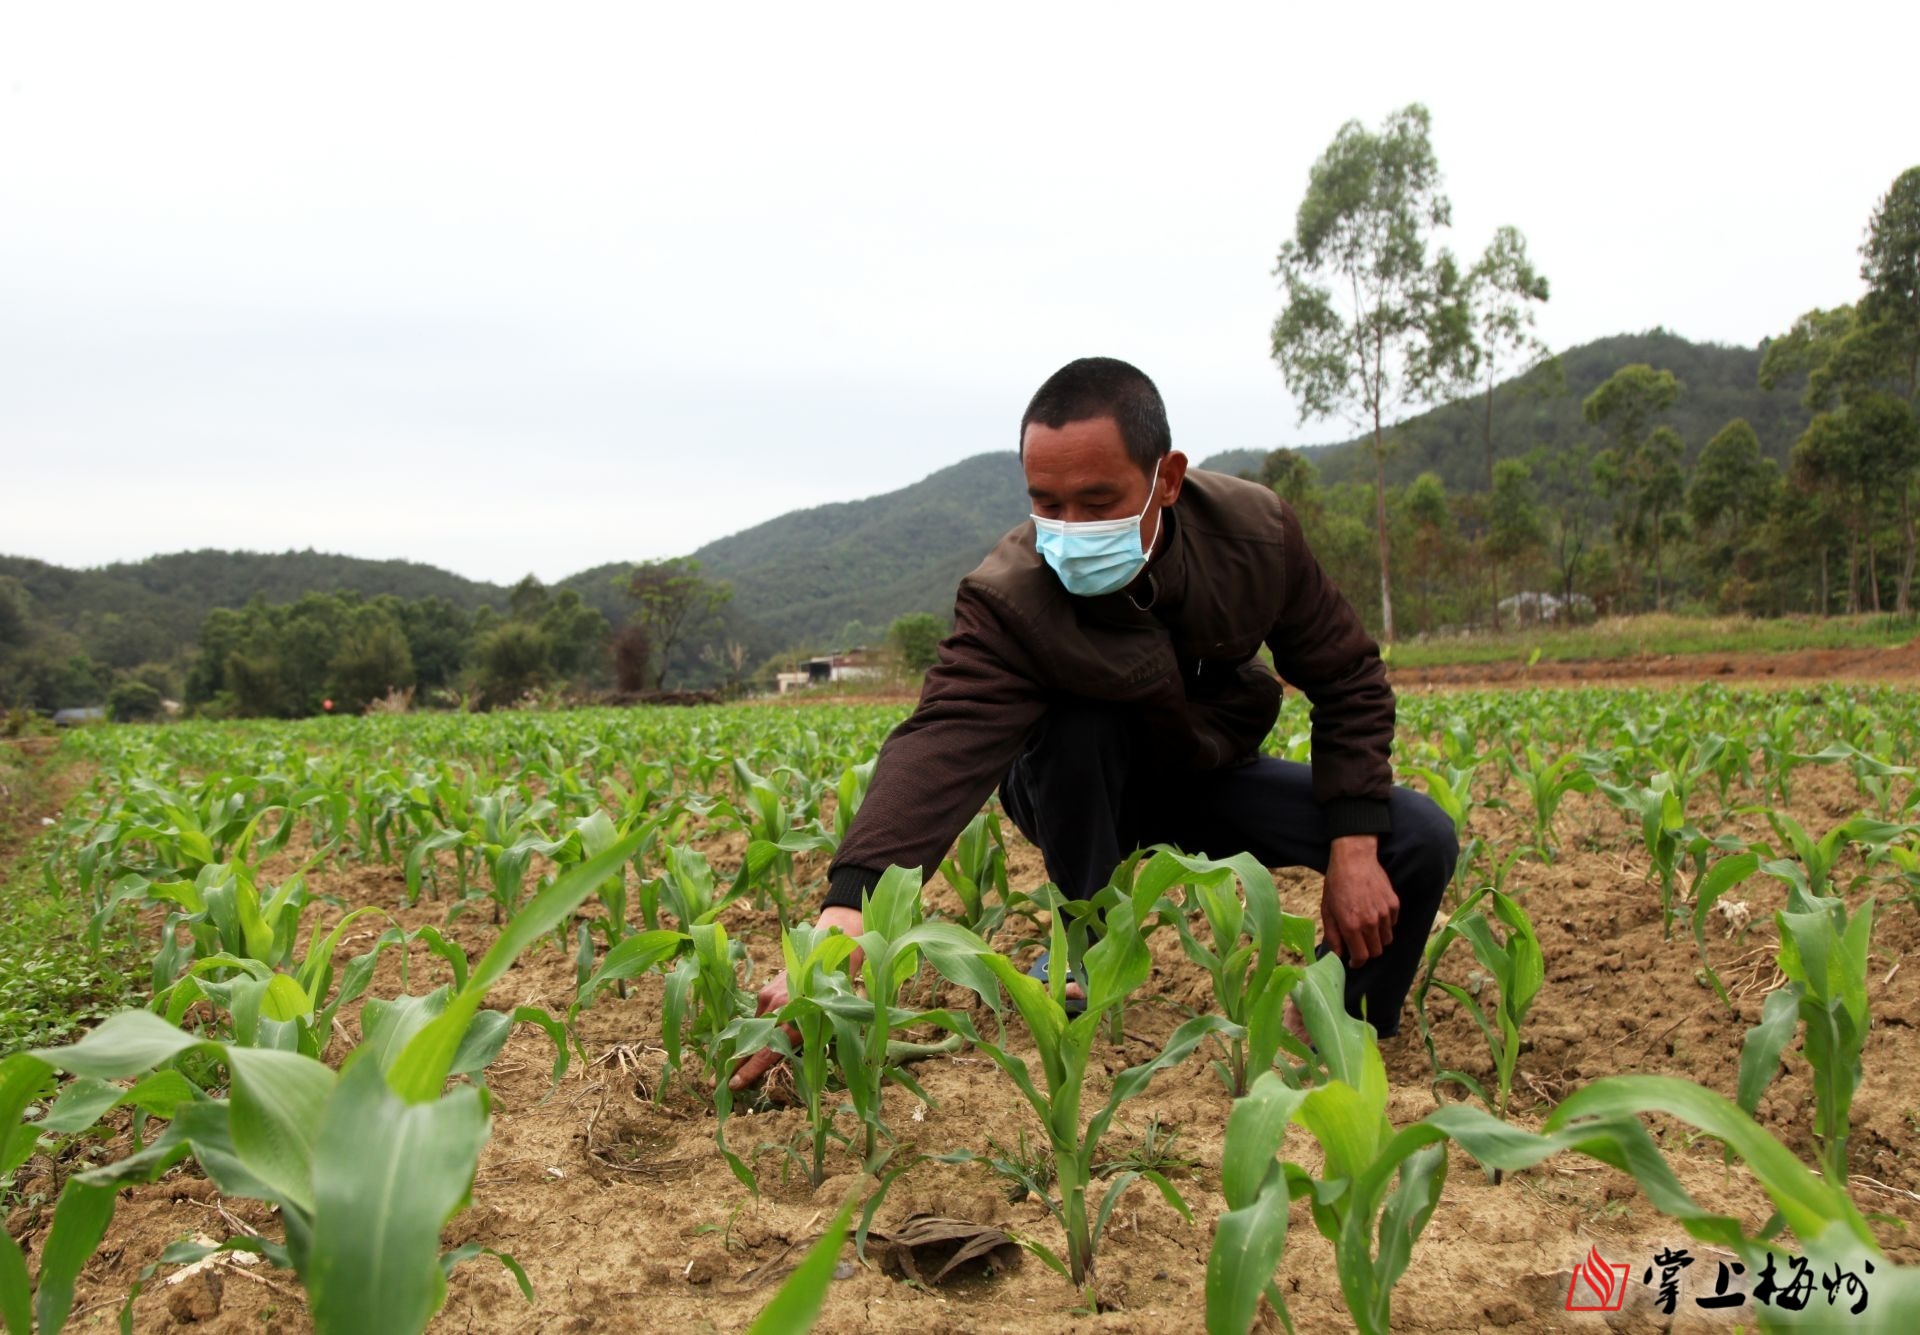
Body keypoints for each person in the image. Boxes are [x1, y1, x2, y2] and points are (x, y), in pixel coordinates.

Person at [730, 356, 1456, 1090]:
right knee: (1079, 721)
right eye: (1047, 502)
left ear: (1166, 479)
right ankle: (1081, 942)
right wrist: (844, 922)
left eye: (1098, 501)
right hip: (1080, 790)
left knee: (1419, 838)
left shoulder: (1254, 538)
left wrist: (1355, 847)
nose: (1069, 529)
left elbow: (1349, 677)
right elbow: (938, 742)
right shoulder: (1012, 596)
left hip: (1206, 773)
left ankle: (1334, 1009)